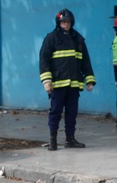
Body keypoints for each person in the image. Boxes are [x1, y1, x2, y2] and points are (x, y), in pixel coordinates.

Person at [39, 8, 96, 151]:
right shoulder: (51, 38)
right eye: (63, 22)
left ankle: (70, 139)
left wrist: (89, 80)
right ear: (58, 23)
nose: (66, 24)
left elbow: (85, 62)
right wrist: (47, 81)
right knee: (55, 112)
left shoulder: (78, 39)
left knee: (72, 113)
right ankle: (53, 140)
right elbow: (44, 61)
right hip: (58, 84)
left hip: (74, 84)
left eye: (68, 22)